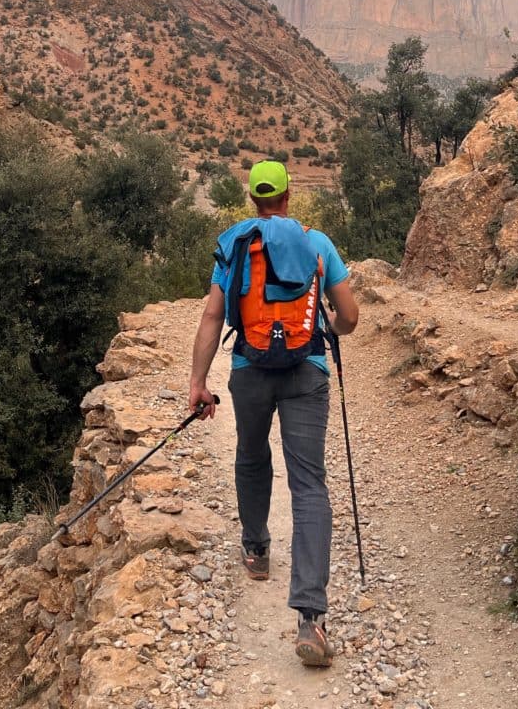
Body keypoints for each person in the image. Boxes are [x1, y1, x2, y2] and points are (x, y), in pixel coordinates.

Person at [188, 159, 359, 668]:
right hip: (307, 370)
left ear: (254, 201)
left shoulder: (235, 243)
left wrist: (198, 383)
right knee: (308, 484)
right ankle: (311, 617)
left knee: (251, 453)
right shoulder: (317, 242)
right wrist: (329, 323)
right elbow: (348, 318)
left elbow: (213, 315)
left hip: (249, 370)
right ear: (287, 197)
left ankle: (257, 549)